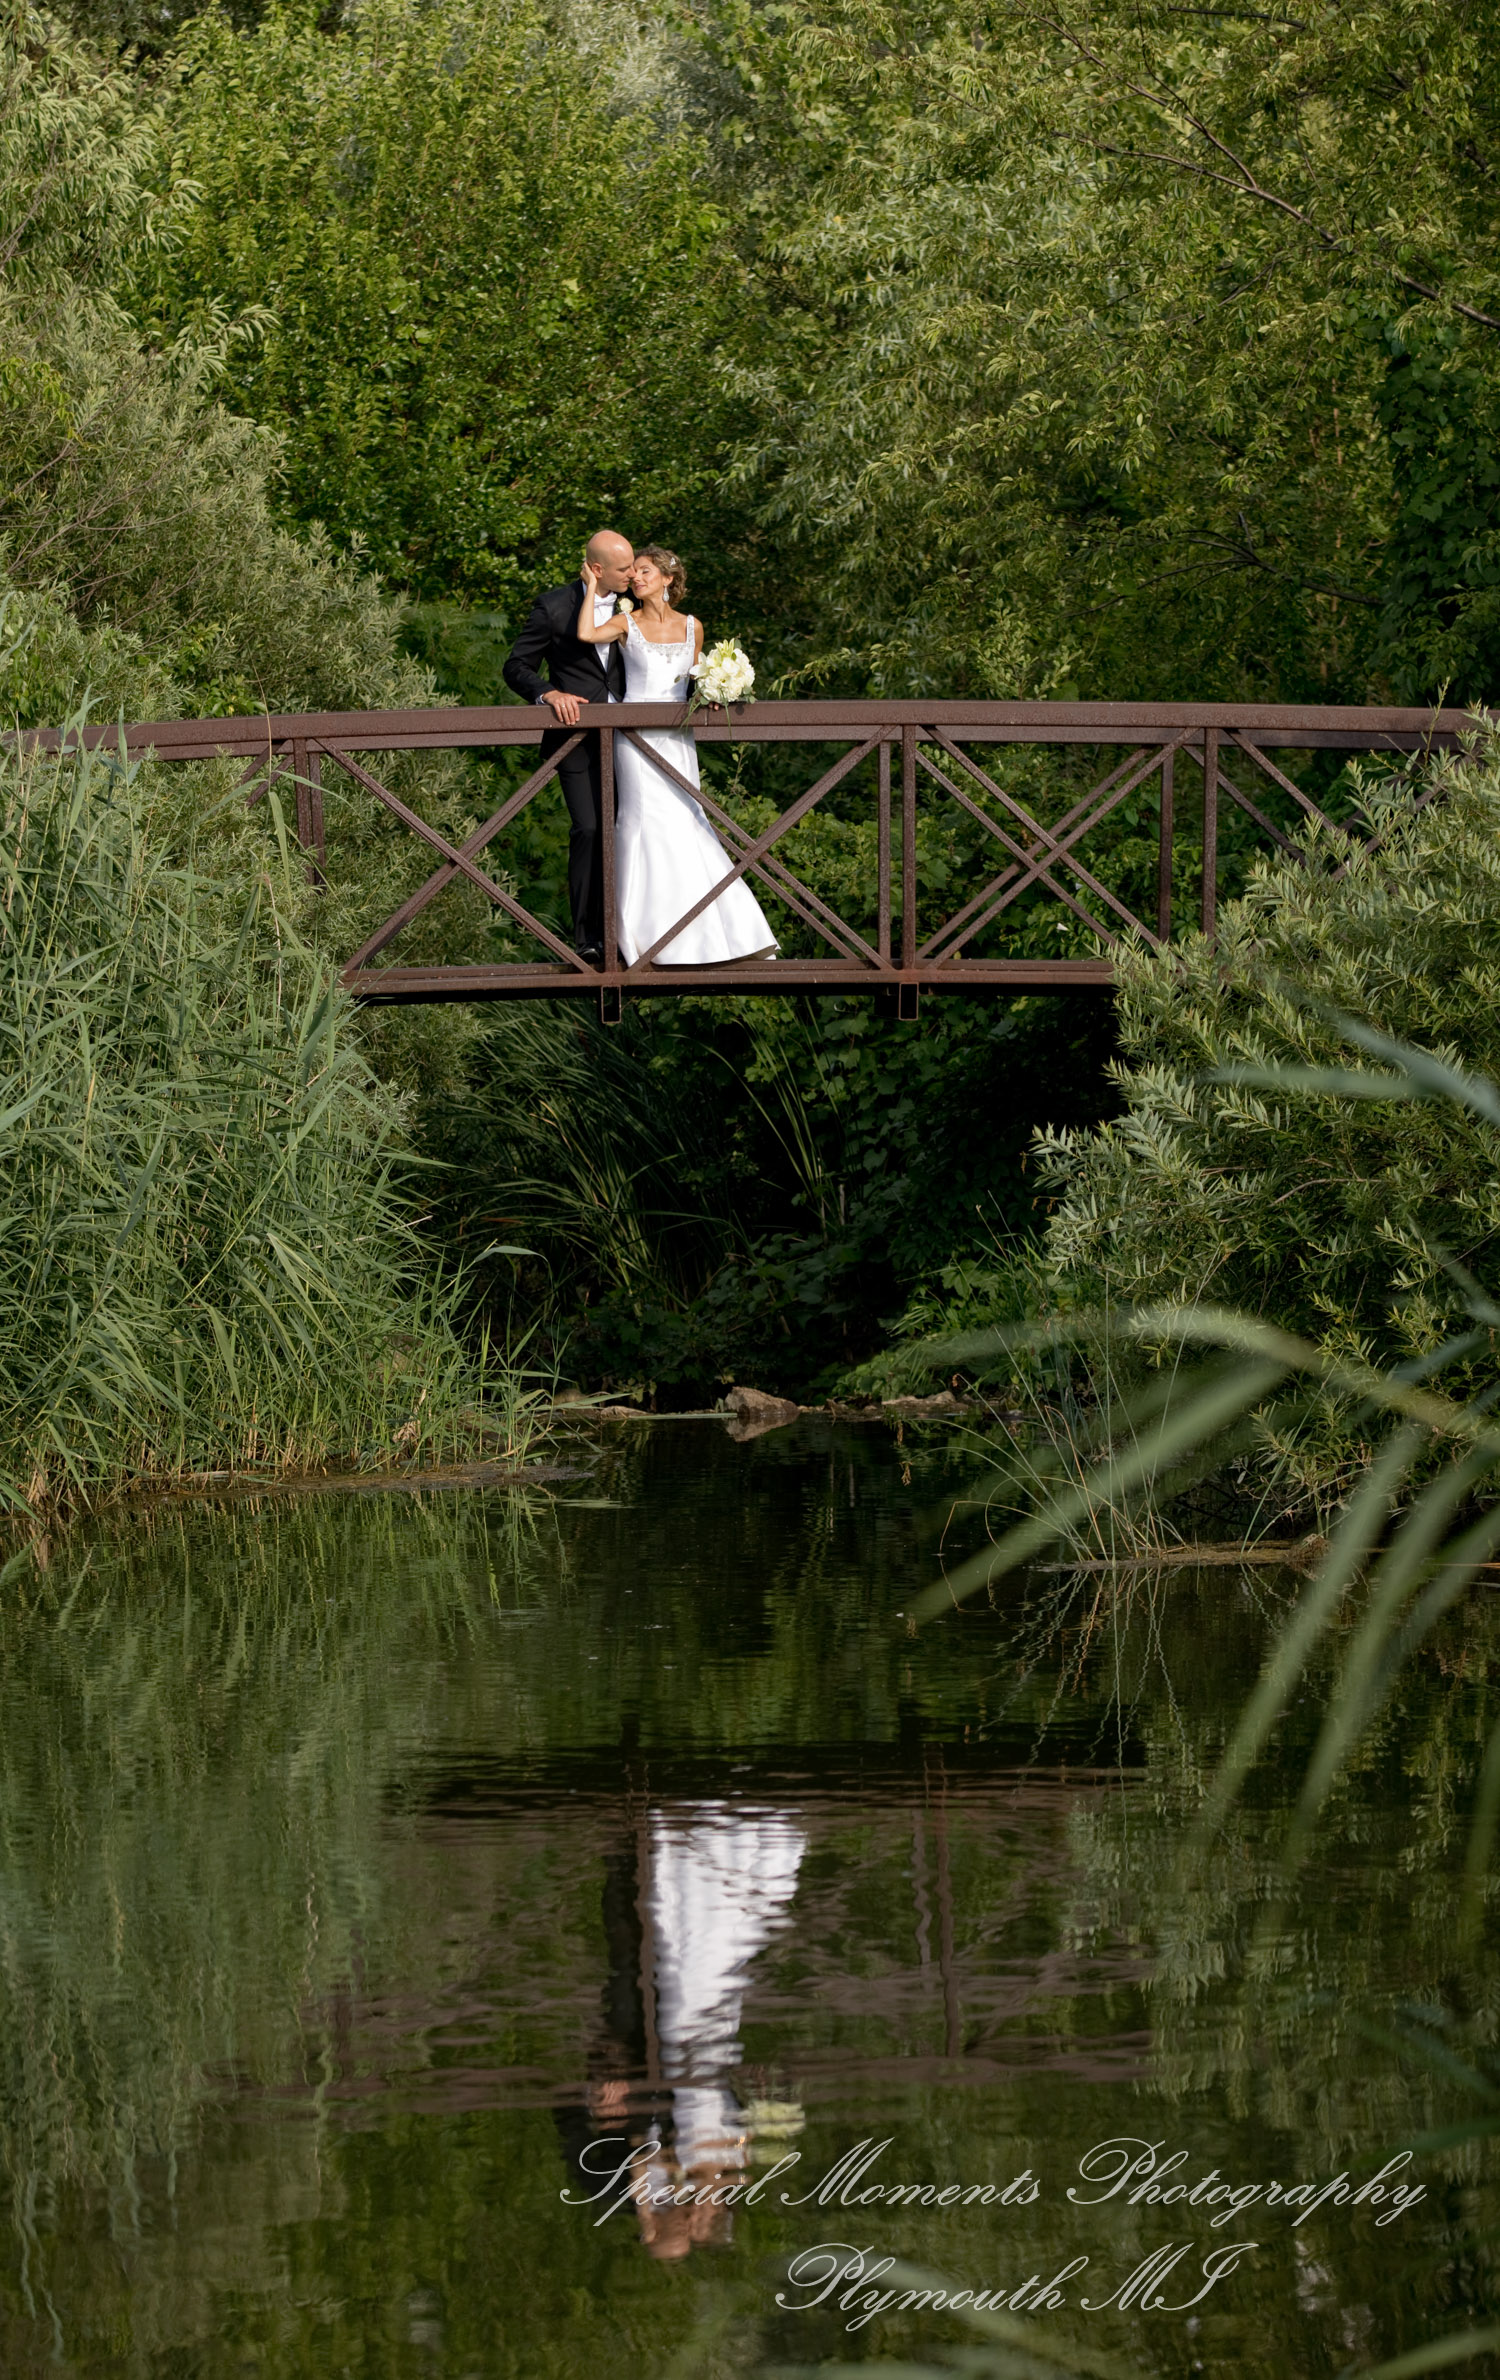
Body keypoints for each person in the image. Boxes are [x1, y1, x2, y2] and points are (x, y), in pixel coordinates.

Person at [575, 544, 777, 967]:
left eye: (645, 571)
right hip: (634, 736)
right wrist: (593, 587)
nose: (636, 578)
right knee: (641, 821)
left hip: (677, 738)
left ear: (667, 579)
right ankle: (640, 938)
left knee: (687, 819)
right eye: (635, 574)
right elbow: (585, 636)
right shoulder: (624, 622)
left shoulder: (692, 627)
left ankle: (715, 936)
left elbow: (694, 678)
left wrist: (717, 692)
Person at [502, 529, 635, 964]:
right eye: (623, 568)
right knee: (590, 828)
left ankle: (630, 931)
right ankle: (590, 939)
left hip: (632, 739)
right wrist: (548, 694)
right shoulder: (554, 606)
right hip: (575, 739)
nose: (633, 574)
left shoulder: (635, 603)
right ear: (597, 570)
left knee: (630, 829)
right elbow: (516, 665)